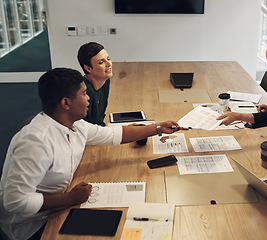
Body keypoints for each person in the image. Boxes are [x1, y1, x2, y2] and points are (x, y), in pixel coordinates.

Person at [0, 68, 184, 240]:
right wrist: (69, 198)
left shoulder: (75, 124)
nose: (88, 99)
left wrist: (159, 128)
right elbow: (15, 202)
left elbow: (114, 134)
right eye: (84, 93)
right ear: (66, 103)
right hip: (33, 224)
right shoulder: (36, 142)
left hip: (61, 203)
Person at [77, 42, 111, 126]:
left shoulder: (105, 81)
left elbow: (100, 118)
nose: (109, 64)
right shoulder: (84, 90)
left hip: (98, 132)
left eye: (108, 59)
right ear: (88, 68)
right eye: (101, 62)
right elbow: (86, 129)